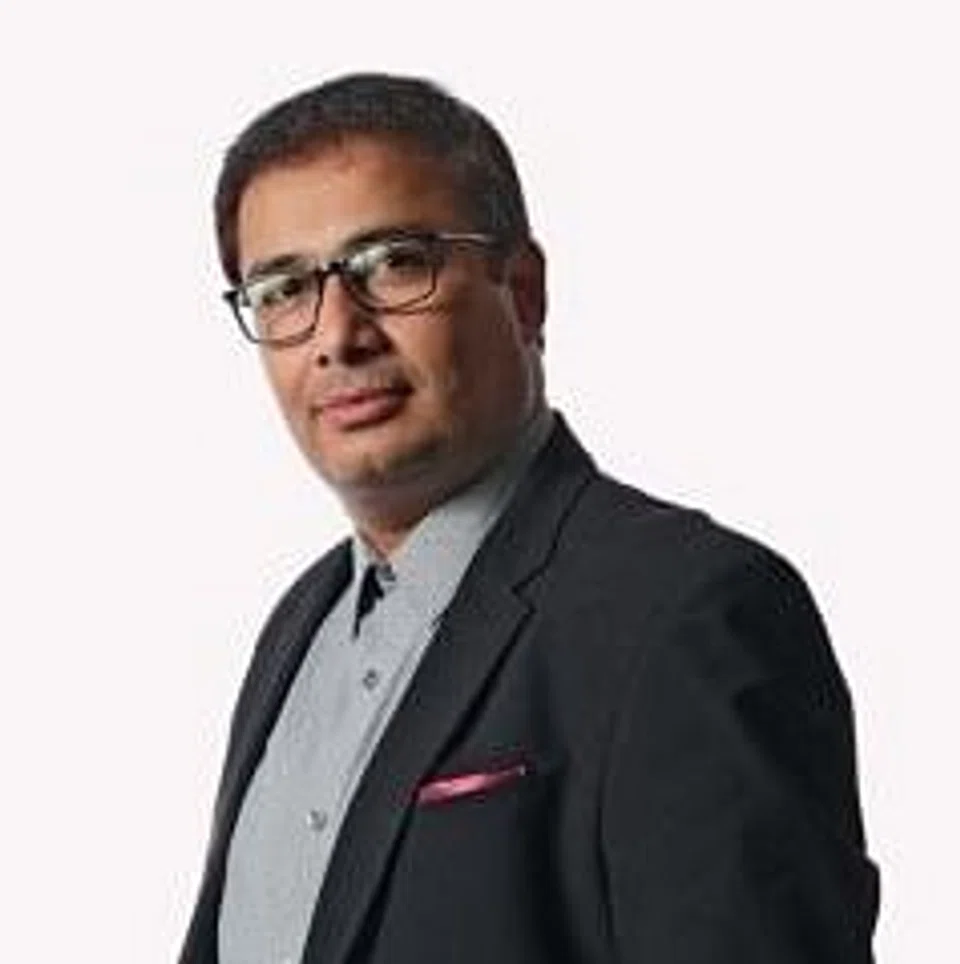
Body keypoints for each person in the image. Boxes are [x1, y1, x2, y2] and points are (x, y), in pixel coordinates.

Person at [179, 73, 879, 964]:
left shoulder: (686, 613)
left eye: (393, 263)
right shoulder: (298, 627)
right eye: (283, 287)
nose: (338, 335)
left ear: (524, 290)